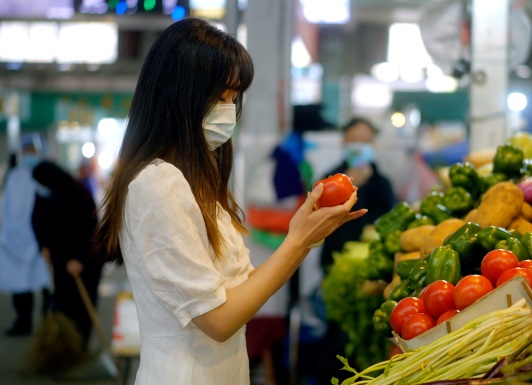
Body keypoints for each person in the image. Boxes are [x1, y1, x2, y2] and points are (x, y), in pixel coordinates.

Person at [91, 17, 365, 384]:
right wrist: (297, 241)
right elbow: (218, 320)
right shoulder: (157, 184)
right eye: (219, 97)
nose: (228, 111)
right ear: (178, 94)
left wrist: (307, 234)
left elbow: (238, 293)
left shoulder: (193, 182)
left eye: (233, 99)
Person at [31, 160, 103, 348]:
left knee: (81, 307)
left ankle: (80, 349)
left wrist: (80, 259)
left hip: (86, 262)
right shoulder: (44, 194)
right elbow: (37, 221)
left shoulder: (79, 194)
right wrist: (43, 246)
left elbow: (91, 231)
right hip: (61, 259)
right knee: (62, 304)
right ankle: (63, 348)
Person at [318, 117, 396, 269]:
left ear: (373, 145)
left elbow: (388, 222)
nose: (359, 147)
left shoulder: (383, 183)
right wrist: (349, 186)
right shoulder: (328, 179)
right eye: (354, 140)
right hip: (334, 261)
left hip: (375, 263)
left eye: (365, 142)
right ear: (344, 143)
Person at [0, 142, 51, 337]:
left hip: (39, 238)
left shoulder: (43, 174)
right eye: (26, 151)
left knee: (47, 284)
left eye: (32, 151)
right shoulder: (14, 176)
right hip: (14, 240)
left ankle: (49, 324)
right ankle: (23, 322)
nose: (29, 154)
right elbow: (7, 206)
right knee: (19, 284)